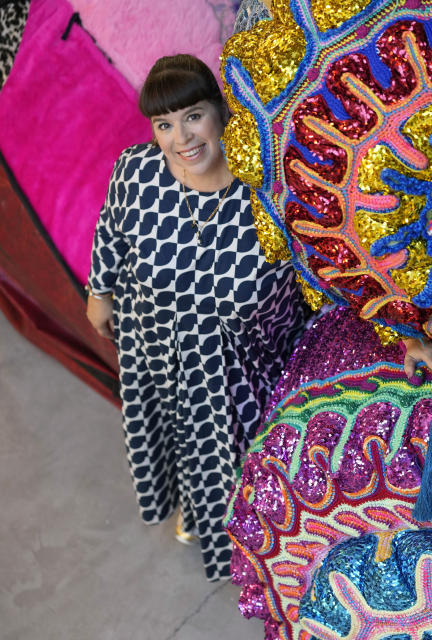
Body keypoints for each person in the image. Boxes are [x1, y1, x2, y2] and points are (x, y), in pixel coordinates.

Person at [85, 54, 306, 581]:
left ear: (220, 112)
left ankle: (240, 534)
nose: (181, 136)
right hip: (151, 340)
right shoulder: (136, 170)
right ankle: (187, 502)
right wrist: (100, 292)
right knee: (167, 429)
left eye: (193, 116)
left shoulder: (265, 194)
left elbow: (312, 277)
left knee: (228, 459)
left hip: (233, 367)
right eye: (164, 124)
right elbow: (111, 233)